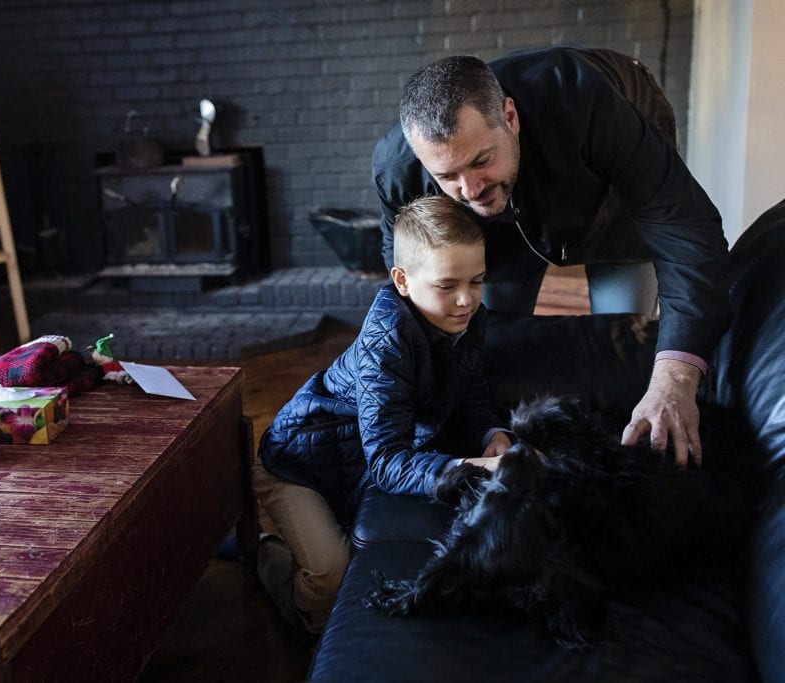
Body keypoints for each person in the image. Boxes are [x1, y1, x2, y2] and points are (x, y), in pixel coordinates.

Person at [372, 47, 730, 468]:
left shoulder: (583, 100)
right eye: (447, 176)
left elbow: (683, 226)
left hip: (609, 206)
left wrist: (676, 379)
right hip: (499, 231)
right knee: (492, 342)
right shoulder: (397, 169)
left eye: (480, 161)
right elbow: (408, 290)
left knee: (626, 348)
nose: (468, 190)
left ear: (509, 117)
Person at [252, 194, 512, 635]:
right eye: (447, 286)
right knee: (331, 578)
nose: (466, 300)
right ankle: (272, 569)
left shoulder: (467, 318)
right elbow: (388, 462)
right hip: (296, 465)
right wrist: (472, 467)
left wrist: (493, 431)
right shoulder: (386, 342)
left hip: (350, 461)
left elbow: (471, 393)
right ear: (403, 281)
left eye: (478, 281)